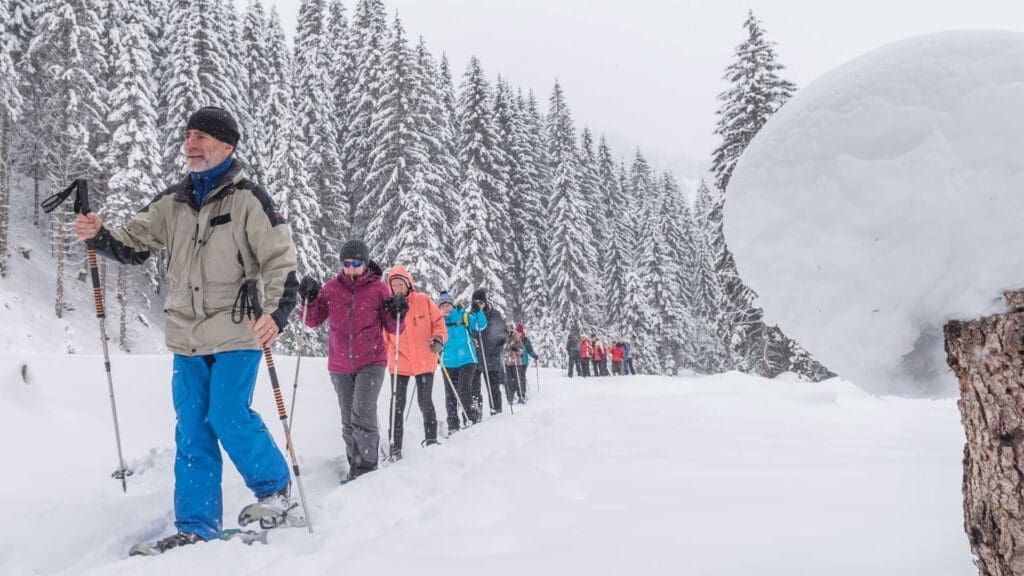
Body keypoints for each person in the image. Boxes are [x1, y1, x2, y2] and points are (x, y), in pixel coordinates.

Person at [74, 107, 300, 553]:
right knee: (192, 427)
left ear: (226, 146)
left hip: (238, 332)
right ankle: (197, 526)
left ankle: (275, 491)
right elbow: (132, 245)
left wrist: (275, 315)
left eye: (200, 136)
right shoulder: (172, 201)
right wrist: (98, 234)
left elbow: (281, 261)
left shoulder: (248, 200)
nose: (190, 144)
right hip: (187, 337)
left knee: (228, 415)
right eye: (188, 135)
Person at [299, 239, 405, 483]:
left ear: (365, 263)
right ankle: (354, 466)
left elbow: (393, 327)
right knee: (348, 418)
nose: (351, 268)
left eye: (356, 263)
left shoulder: (379, 290)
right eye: (346, 263)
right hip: (340, 364)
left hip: (371, 361)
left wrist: (398, 311)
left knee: (363, 413)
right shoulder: (332, 289)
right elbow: (312, 320)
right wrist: (308, 299)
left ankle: (367, 469)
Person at [382, 266, 445, 461]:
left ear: (409, 284)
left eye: (401, 283)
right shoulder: (388, 306)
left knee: (424, 401)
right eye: (394, 284)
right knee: (397, 404)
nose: (398, 287)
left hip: (424, 358)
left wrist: (438, 339)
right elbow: (383, 335)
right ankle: (395, 447)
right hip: (399, 360)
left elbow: (439, 322)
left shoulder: (423, 300)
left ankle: (431, 439)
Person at [438, 292, 486, 431]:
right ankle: (453, 425)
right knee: (450, 395)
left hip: (468, 360)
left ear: (452, 305)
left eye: (448, 305)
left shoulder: (463, 315)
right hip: (448, 363)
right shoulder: (438, 322)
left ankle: (471, 417)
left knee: (463, 390)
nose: (446, 308)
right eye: (443, 306)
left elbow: (480, 326)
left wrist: (478, 312)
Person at [470, 288, 507, 414]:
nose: (478, 305)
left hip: (491, 356)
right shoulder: (469, 316)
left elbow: (503, 330)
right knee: (474, 389)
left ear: (485, 302)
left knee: (493, 388)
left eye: (481, 303)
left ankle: (496, 411)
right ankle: (476, 413)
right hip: (474, 357)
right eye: (476, 303)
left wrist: (501, 339)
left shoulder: (494, 314)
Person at [516, 323, 539, 402]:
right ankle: (519, 395)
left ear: (522, 332)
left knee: (522, 377)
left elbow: (530, 350)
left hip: (524, 362)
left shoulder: (525, 340)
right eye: (517, 331)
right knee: (518, 378)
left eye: (520, 332)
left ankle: (522, 394)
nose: (518, 333)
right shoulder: (513, 339)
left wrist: (534, 356)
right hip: (516, 362)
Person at [503, 325, 524, 404]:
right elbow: (502, 348)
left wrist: (517, 351)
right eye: (507, 328)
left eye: (510, 328)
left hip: (516, 362)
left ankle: (521, 396)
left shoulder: (516, 337)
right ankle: (510, 398)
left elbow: (521, 349)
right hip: (507, 362)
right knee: (508, 381)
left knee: (517, 379)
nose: (508, 329)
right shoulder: (504, 338)